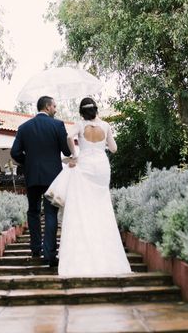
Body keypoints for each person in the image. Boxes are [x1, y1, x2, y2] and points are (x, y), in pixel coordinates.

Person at [45, 97, 131, 276]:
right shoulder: (106, 126)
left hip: (84, 164)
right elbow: (114, 149)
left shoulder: (79, 124)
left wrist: (75, 154)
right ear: (96, 109)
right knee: (102, 208)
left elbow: (69, 136)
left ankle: (81, 252)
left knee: (81, 208)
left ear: (82, 112)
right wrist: (104, 143)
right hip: (101, 166)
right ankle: (107, 253)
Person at [10, 96, 73, 267]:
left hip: (32, 177)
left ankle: (36, 249)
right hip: (53, 178)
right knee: (51, 213)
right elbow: (67, 151)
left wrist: (28, 162)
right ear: (47, 106)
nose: (56, 109)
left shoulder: (24, 127)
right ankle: (49, 255)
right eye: (54, 106)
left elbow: (15, 152)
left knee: (33, 212)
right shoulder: (57, 125)